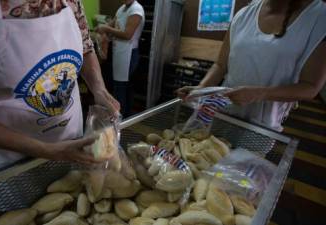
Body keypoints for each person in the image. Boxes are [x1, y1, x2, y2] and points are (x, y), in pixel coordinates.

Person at [0, 0, 120, 175]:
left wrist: (98, 89)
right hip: (10, 157)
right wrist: (47, 150)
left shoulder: (70, 2)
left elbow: (85, 47)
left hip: (71, 137)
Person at [177, 0, 326, 131]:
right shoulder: (243, 15)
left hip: (263, 126)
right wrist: (201, 89)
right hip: (223, 114)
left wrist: (259, 93)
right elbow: (221, 65)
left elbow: (310, 87)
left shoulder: (318, 18)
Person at [96, 0, 145, 117]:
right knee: (122, 87)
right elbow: (113, 23)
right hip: (119, 52)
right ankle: (123, 117)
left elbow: (128, 34)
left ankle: (120, 118)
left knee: (121, 88)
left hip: (129, 54)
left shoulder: (136, 9)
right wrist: (103, 29)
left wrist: (106, 29)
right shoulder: (122, 8)